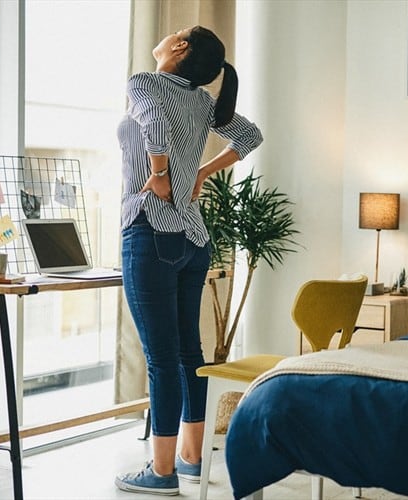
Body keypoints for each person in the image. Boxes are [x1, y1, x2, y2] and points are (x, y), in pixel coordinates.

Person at [115, 25, 263, 496]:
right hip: (192, 237)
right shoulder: (201, 102)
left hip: (150, 231)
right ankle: (192, 460)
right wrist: (200, 171)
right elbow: (249, 135)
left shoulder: (145, 83)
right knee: (186, 356)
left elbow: (155, 127)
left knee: (161, 359)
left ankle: (160, 474)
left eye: (176, 33)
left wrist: (160, 174)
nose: (168, 34)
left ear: (180, 49)